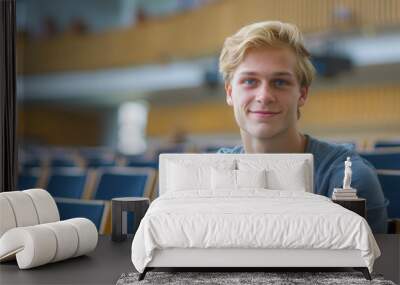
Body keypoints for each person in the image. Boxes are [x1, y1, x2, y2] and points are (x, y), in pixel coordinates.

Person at [217, 21, 388, 233]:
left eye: (280, 82)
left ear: (303, 94)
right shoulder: (211, 175)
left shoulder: (348, 181)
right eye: (250, 81)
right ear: (230, 93)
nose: (264, 96)